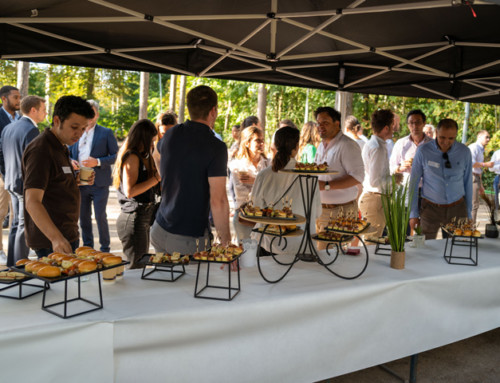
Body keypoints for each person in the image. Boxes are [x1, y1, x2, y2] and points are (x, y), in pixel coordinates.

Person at [151, 85, 230, 254]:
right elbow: (219, 201)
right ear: (213, 111)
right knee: (194, 281)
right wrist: (226, 245)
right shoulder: (216, 147)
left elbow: (155, 156)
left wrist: (166, 178)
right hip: (187, 239)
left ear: (189, 108)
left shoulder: (171, 134)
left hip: (160, 227)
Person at [23, 95, 95, 257]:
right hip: (51, 241)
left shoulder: (61, 145)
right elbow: (32, 202)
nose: (79, 134)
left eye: (83, 129)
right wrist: (57, 238)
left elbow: (53, 182)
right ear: (57, 121)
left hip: (66, 234)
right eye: (74, 127)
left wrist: (74, 181)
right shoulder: (41, 149)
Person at [250, 126, 321, 254]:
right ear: (296, 147)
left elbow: (256, 209)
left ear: (275, 145)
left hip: (269, 242)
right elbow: (317, 213)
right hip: (301, 244)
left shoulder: (263, 175)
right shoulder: (310, 177)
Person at [0, 96, 46, 266]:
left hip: (11, 182)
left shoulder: (8, 128)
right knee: (23, 225)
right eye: (43, 109)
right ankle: (20, 266)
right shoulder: (32, 131)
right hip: (25, 184)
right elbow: (35, 161)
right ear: (33, 110)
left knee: (15, 224)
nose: (46, 113)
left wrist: (7, 175)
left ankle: (13, 264)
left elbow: (1, 155)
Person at [409, 119, 473, 239]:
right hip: (430, 209)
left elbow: (468, 183)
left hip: (457, 209)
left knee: (457, 250)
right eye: (442, 137)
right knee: (425, 247)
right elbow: (413, 183)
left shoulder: (464, 152)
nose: (446, 142)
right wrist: (413, 214)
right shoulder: (423, 151)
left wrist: (469, 214)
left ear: (456, 136)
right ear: (436, 133)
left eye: (451, 138)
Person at [69, 100, 118, 252]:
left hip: (99, 183)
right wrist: (71, 161)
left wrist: (96, 161)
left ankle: (105, 248)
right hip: (79, 182)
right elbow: (68, 153)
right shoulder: (75, 131)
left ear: (97, 114)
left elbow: (117, 156)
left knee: (100, 216)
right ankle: (88, 246)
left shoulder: (106, 132)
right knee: (83, 218)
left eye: (92, 113)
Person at [314, 107, 364, 247]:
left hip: (340, 211)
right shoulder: (321, 146)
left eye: (325, 122)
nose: (320, 126)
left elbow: (358, 177)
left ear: (337, 123)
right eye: (318, 123)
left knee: (328, 257)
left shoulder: (347, 145)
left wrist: (326, 186)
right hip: (321, 210)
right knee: (321, 253)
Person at [113, 119, 160, 268]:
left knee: (141, 265)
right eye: (151, 142)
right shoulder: (132, 157)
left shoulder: (144, 156)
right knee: (137, 267)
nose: (152, 146)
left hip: (142, 217)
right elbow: (129, 191)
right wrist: (156, 179)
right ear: (143, 139)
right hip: (133, 217)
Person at [229, 125, 269, 241]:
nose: (262, 143)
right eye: (257, 140)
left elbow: (274, 188)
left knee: (263, 255)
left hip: (264, 217)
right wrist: (262, 183)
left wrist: (255, 180)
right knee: (245, 255)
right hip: (244, 217)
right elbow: (244, 194)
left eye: (262, 140)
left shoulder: (268, 164)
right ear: (247, 143)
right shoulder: (238, 165)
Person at [359, 109, 394, 238]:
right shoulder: (377, 147)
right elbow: (375, 181)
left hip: (375, 197)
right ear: (386, 128)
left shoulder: (375, 144)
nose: (394, 129)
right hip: (375, 198)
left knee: (374, 240)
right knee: (372, 242)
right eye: (392, 125)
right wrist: (394, 179)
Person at [0, 86, 20, 263]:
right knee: (0, 212)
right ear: (4, 99)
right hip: (2, 171)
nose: (19, 100)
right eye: (15, 97)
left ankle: (15, 250)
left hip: (19, 172)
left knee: (16, 213)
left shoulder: (21, 118)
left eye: (20, 97)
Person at [390, 109, 433, 189]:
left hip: (427, 189)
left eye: (418, 122)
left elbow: (438, 166)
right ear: (408, 125)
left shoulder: (433, 144)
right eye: (411, 123)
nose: (415, 126)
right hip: (405, 189)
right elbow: (391, 168)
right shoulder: (401, 143)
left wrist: (425, 164)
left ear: (424, 123)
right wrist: (400, 167)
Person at [468, 130, 494, 222]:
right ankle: (470, 230)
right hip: (471, 177)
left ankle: (470, 229)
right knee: (473, 205)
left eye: (489, 137)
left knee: (475, 204)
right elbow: (471, 163)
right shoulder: (474, 147)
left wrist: (481, 185)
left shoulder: (480, 149)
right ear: (479, 137)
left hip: (476, 178)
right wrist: (485, 164)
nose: (488, 139)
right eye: (486, 137)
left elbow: (478, 171)